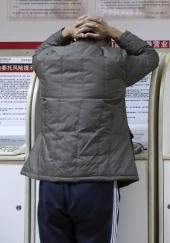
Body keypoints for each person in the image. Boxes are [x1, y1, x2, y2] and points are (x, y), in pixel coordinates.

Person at [21, 16, 159, 243]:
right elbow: (149, 55)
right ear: (107, 41)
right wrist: (114, 31)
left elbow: (41, 50)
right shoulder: (116, 61)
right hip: (97, 180)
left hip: (51, 180)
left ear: (74, 38)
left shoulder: (48, 60)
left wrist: (64, 32)